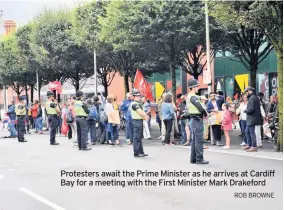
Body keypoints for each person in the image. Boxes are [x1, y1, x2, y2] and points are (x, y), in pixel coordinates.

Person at [187, 79, 209, 164]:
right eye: (197, 86)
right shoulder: (193, 97)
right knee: (199, 140)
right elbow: (200, 107)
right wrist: (205, 114)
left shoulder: (189, 96)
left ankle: (193, 159)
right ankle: (199, 159)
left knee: (194, 140)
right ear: (192, 87)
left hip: (193, 119)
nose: (198, 87)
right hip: (197, 120)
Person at [130, 91, 149, 157]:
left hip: (139, 121)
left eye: (139, 96)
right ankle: (136, 153)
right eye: (137, 96)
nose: (138, 97)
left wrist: (144, 117)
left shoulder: (138, 103)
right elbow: (140, 112)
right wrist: (145, 116)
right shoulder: (134, 104)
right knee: (137, 138)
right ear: (134, 97)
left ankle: (141, 152)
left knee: (139, 137)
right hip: (136, 121)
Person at [243, 87, 262, 152]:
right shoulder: (256, 97)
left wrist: (245, 110)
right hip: (254, 118)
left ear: (250, 91)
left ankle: (253, 146)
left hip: (251, 118)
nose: (246, 93)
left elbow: (251, 109)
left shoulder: (251, 98)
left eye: (246, 92)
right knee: (247, 131)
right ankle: (249, 144)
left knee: (251, 132)